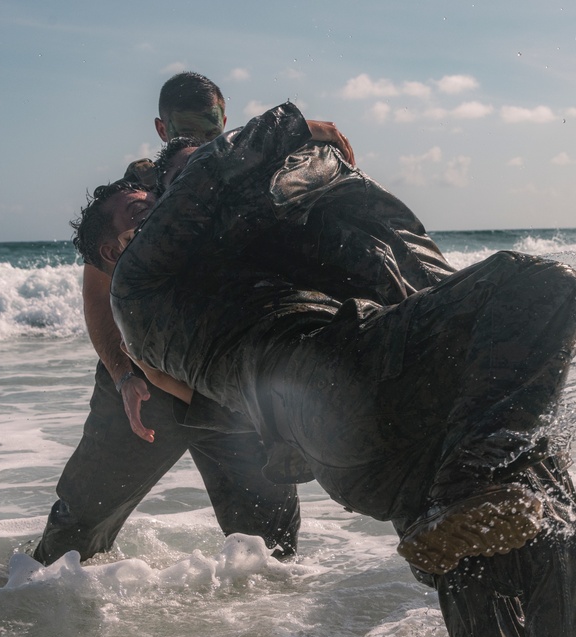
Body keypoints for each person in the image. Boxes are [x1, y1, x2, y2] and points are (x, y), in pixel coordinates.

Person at [106, 101, 576, 637]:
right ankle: (471, 479)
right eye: (154, 197)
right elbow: (213, 183)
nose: (166, 203)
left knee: (536, 549)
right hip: (362, 382)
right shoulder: (153, 275)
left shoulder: (257, 240)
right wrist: (296, 127)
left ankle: (466, 491)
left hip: (388, 415)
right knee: (542, 284)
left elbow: (405, 267)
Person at [29, 71, 359, 564]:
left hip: (231, 389)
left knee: (270, 555)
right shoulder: (133, 196)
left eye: (213, 133)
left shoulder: (256, 170)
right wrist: (122, 377)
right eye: (188, 136)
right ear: (162, 131)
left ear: (227, 122)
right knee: (74, 532)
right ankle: (13, 607)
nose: (204, 148)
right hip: (147, 391)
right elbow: (98, 297)